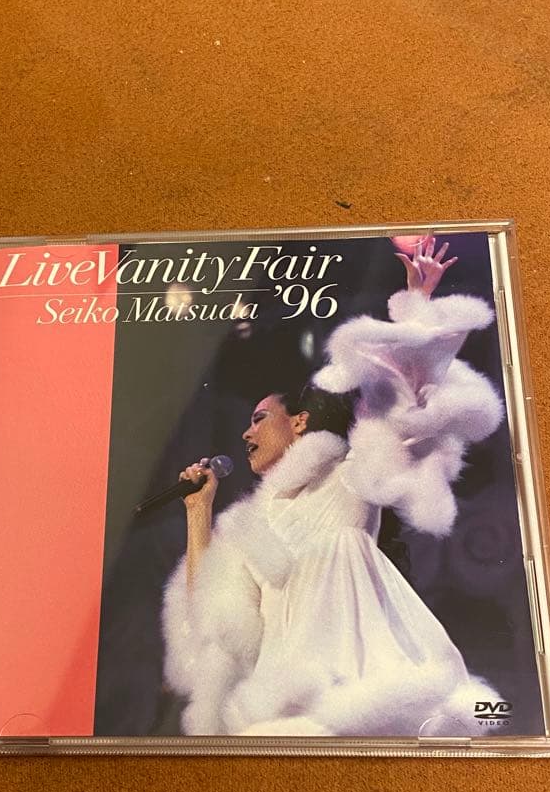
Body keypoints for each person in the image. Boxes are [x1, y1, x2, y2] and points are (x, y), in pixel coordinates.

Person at [161, 237, 507, 737]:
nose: (246, 433)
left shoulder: (345, 475)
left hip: (363, 690)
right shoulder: (253, 524)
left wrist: (417, 304)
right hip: (283, 711)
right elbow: (210, 616)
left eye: (260, 418)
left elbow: (400, 406)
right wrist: (199, 510)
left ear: (300, 422)